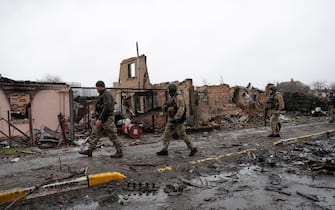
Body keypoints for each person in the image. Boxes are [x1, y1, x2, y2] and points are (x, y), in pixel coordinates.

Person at [79, 80, 123, 158]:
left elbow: (107, 108)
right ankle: (90, 150)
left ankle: (119, 151)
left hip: (107, 119)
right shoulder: (102, 95)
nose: (96, 89)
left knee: (112, 135)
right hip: (102, 118)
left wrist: (100, 119)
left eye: (97, 87)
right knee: (95, 134)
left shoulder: (106, 94)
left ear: (100, 87)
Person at [156, 83, 198, 156]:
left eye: (169, 90)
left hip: (177, 120)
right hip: (171, 119)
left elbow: (181, 108)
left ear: (172, 90)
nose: (168, 92)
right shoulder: (173, 98)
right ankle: (164, 149)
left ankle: (192, 148)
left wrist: (177, 118)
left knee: (182, 135)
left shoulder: (178, 97)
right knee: (166, 134)